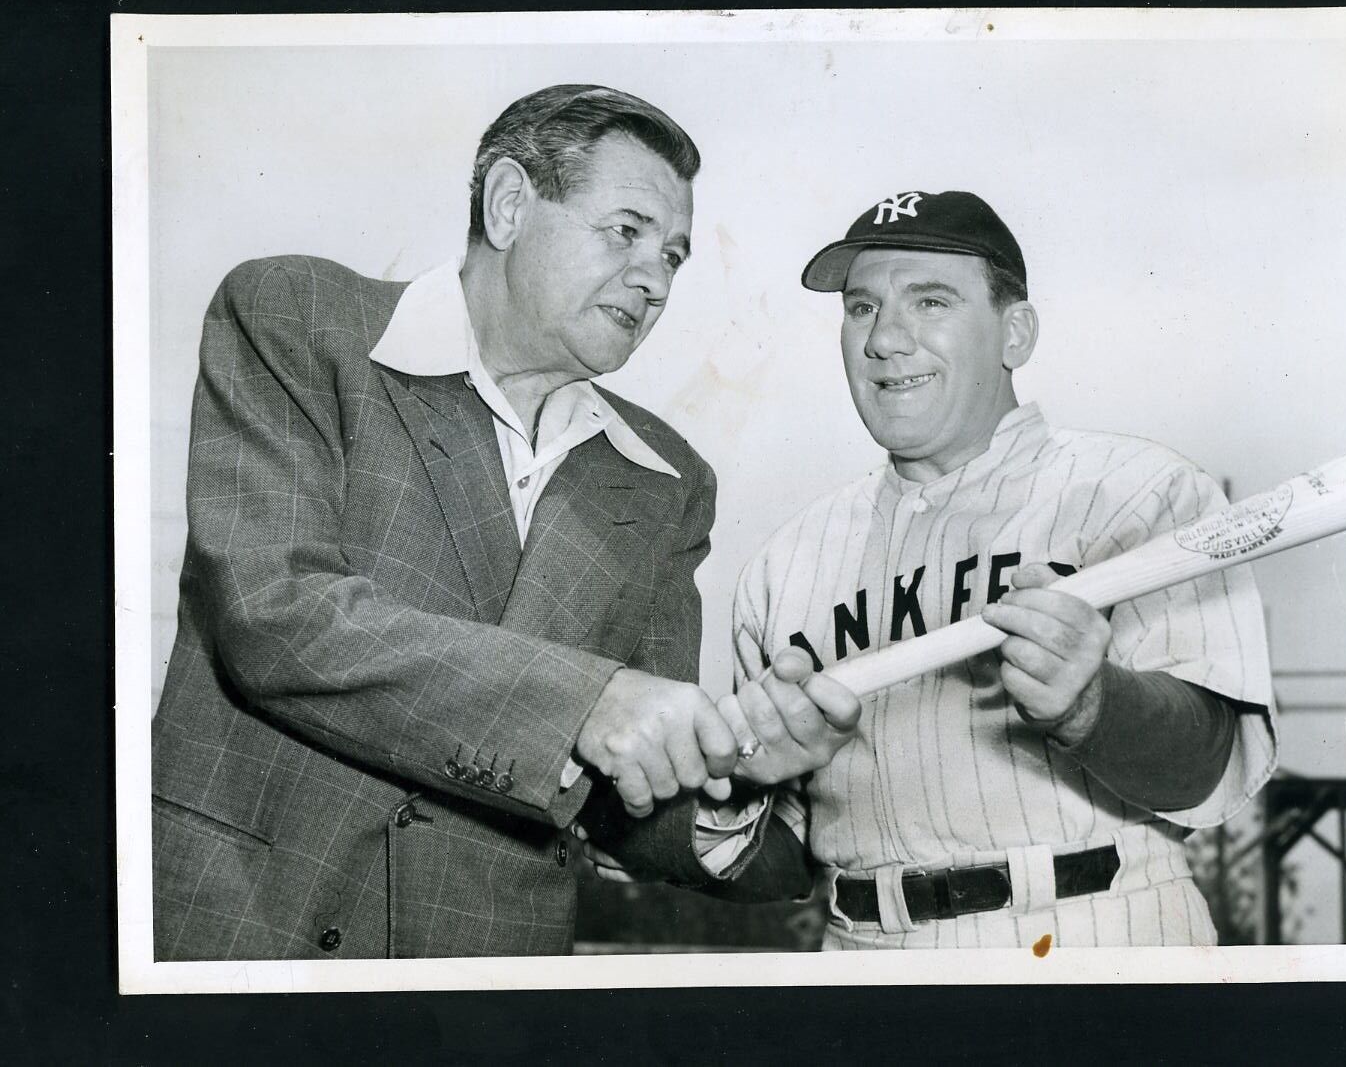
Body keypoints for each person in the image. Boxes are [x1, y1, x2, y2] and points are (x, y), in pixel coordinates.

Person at [150, 84, 854, 961]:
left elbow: (618, 799)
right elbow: (273, 613)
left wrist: (726, 777)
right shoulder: (297, 317)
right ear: (510, 203)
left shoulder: (669, 482)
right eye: (626, 230)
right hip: (237, 929)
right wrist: (590, 699)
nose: (655, 279)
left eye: (673, 256)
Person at [586, 189, 1276, 949]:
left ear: (1015, 333)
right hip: (863, 949)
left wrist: (1092, 703)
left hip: (1096, 928)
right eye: (861, 308)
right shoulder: (785, 565)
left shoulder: (1143, 495)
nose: (885, 339)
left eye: (931, 301)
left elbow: (1206, 767)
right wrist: (746, 782)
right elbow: (785, 866)